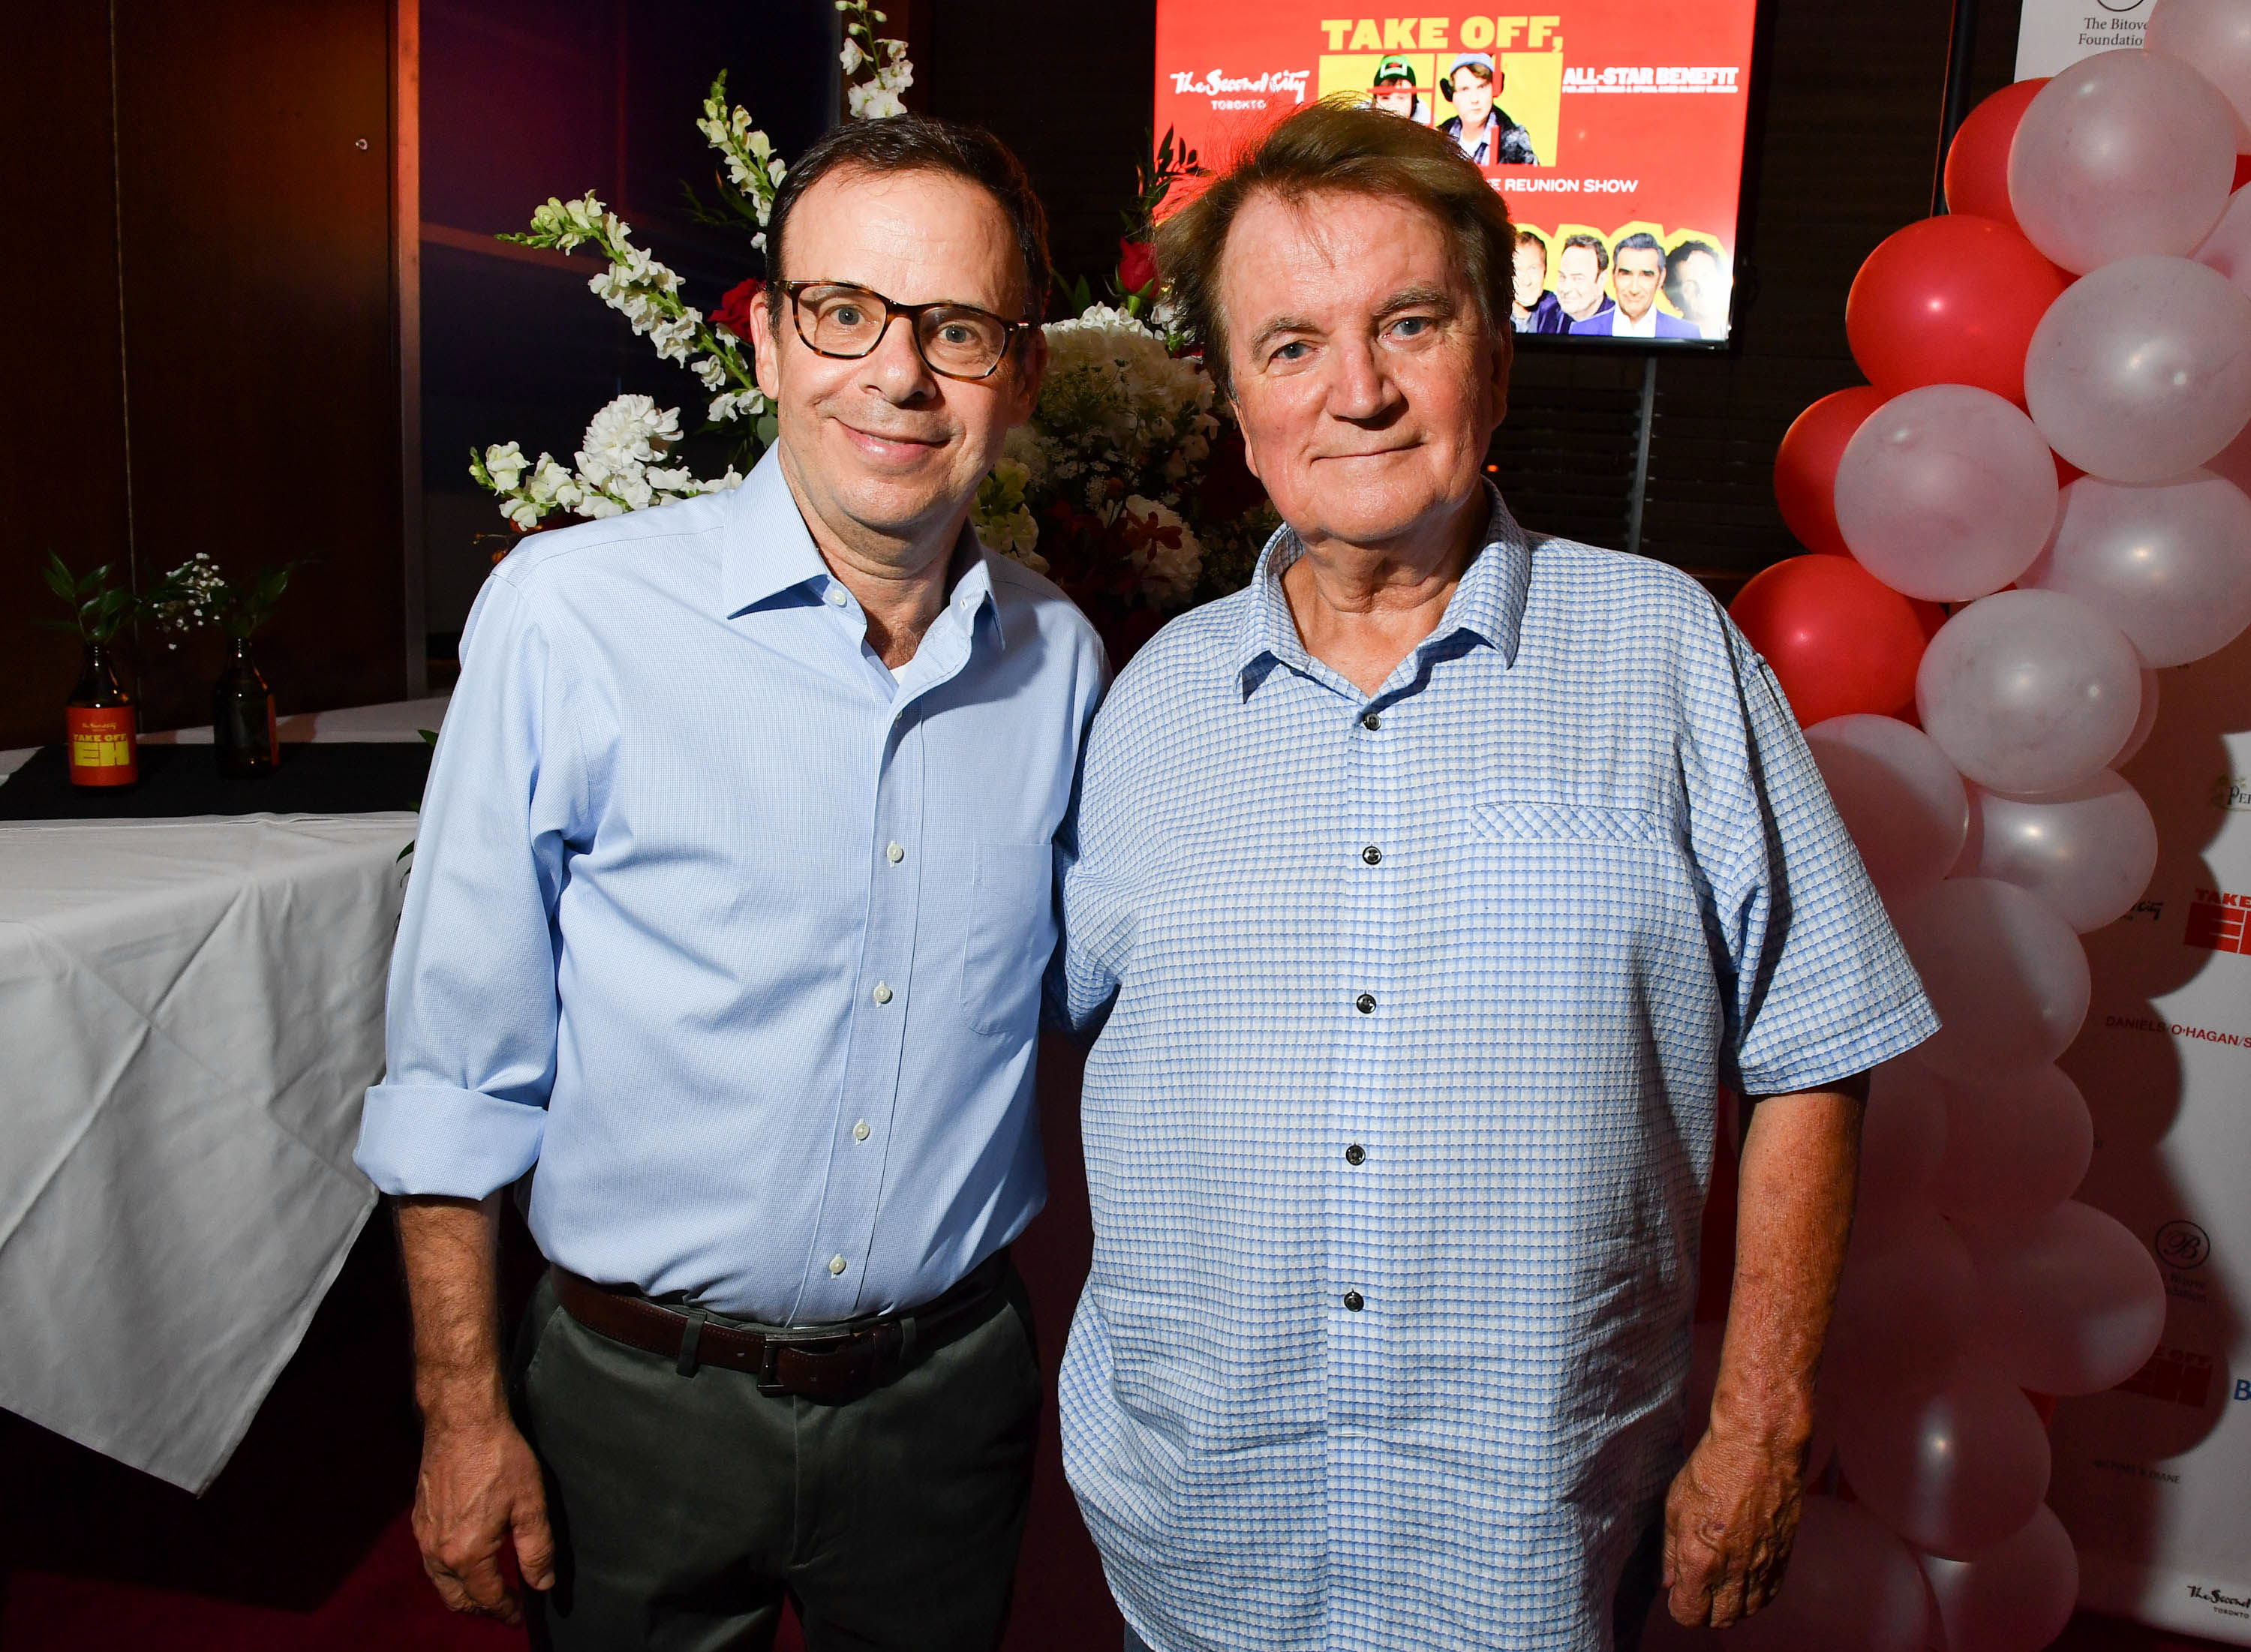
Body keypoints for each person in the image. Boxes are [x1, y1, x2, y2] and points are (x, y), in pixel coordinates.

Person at [1058, 101, 1937, 1652]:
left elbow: (1817, 1048)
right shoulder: (1147, 700)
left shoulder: (1668, 654)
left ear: (1496, 354)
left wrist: (1763, 1418)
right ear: (1239, 408)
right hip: (1207, 1541)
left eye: (1411, 323)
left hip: (1536, 1545)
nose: (1362, 392)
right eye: (1292, 346)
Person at [355, 115, 1107, 1651]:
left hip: (944, 1404)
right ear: (766, 339)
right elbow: (455, 1069)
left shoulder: (1062, 660)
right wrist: (458, 1413)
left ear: (1019, 377)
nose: (897, 376)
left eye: (955, 330)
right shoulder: (570, 620)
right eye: (845, 313)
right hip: (635, 1405)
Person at [1574, 230, 1702, 338]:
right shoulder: (1581, 331)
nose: (1634, 289)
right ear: (1613, 276)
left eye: (1646, 275)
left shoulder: (1687, 334)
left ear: (1661, 278)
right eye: (1626, 274)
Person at [1438, 52, 1538, 164]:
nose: (1474, 99)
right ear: (1451, 94)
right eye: (1465, 89)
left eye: (1482, 87)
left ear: (1495, 90)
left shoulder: (1516, 141)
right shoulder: (1438, 137)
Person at [1666, 237, 1732, 339]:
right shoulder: (1668, 338)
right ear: (1675, 299)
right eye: (1689, 286)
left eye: (1707, 277)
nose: (1701, 290)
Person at [1512, 227, 1569, 334]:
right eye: (1518, 270)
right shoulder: (1490, 315)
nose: (1527, 281)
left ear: (1545, 272)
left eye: (1533, 269)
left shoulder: (1561, 314)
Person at [1556, 230, 1615, 326]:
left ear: (1601, 281)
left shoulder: (1619, 325)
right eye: (1562, 277)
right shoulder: (1548, 316)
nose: (1565, 289)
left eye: (1578, 279)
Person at [1363, 54, 1426, 122]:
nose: (1393, 106)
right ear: (1374, 103)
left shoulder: (1429, 131)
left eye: (1401, 97)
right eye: (1385, 98)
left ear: (1413, 103)